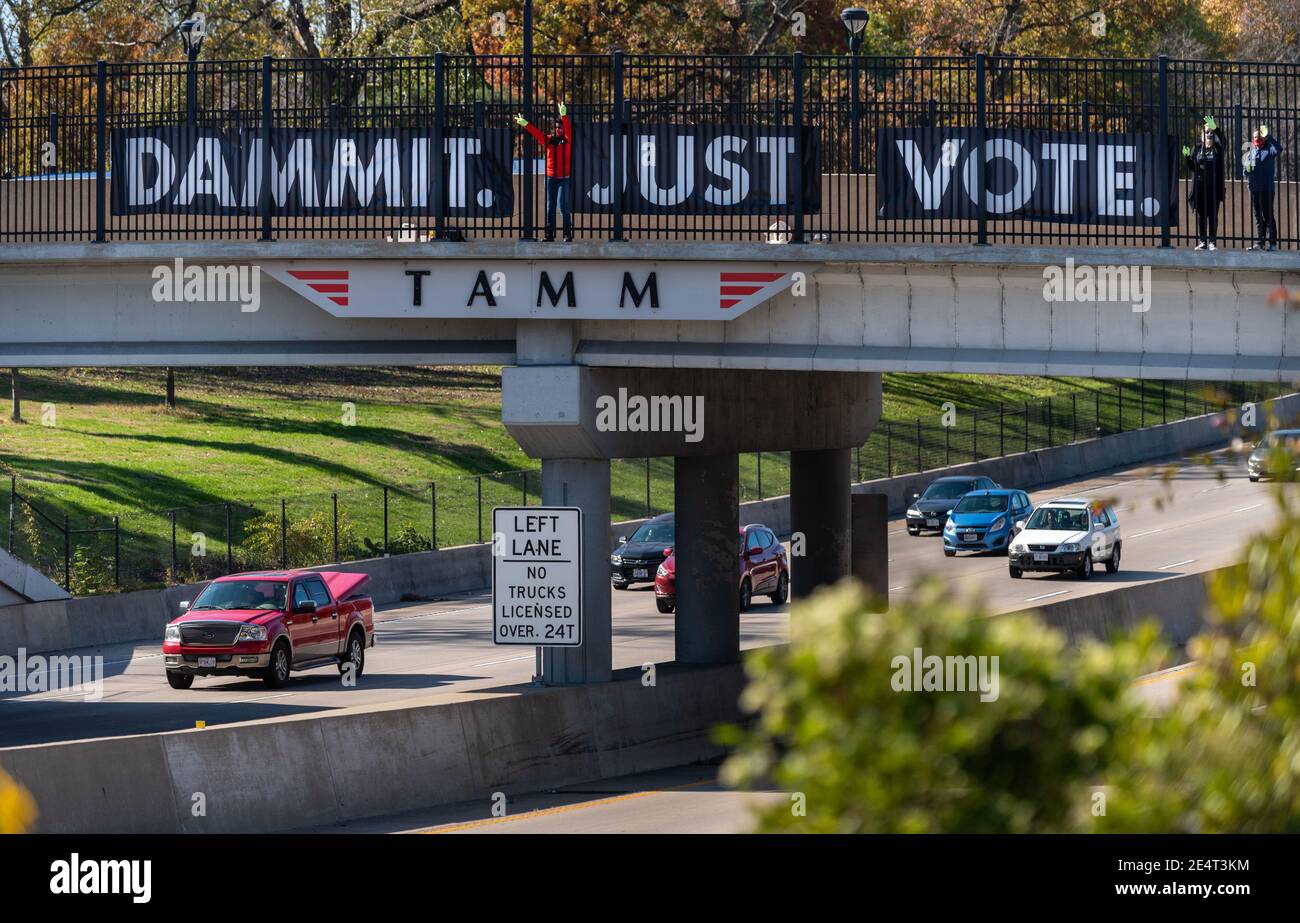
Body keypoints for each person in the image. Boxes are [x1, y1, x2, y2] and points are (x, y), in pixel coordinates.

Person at [514, 102, 573, 242]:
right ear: (553, 129)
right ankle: (549, 235)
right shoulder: (548, 140)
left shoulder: (567, 140)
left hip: (564, 178)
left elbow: (568, 129)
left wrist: (564, 115)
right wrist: (525, 124)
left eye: (561, 128)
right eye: (556, 127)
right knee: (550, 206)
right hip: (551, 177)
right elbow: (536, 133)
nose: (558, 129)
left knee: (563, 206)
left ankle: (567, 234)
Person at [1183, 115, 1226, 251]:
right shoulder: (1197, 148)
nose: (1209, 134)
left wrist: (1216, 128)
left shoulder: (1218, 149)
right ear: (1203, 135)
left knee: (1213, 216)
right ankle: (1202, 242)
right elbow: (1193, 168)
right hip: (1200, 188)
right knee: (1201, 217)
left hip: (1214, 189)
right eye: (1207, 132)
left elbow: (1224, 141)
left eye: (1211, 132)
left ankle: (1212, 242)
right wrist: (1187, 157)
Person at [1242, 123, 1283, 251]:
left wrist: (1269, 136)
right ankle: (1260, 243)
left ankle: (1272, 244)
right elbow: (1245, 172)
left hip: (1267, 188)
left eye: (1259, 137)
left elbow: (1279, 149)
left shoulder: (1269, 149)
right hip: (1254, 189)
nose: (1256, 139)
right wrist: (1247, 169)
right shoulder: (1251, 153)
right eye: (1254, 137)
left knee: (1268, 215)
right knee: (1258, 217)